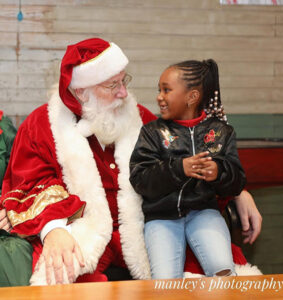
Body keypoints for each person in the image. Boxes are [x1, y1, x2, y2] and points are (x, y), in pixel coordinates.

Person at [0, 38, 261, 286]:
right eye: (112, 85)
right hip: (83, 232)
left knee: (207, 275)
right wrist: (53, 230)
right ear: (81, 91)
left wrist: (238, 191)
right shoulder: (41, 125)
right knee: (60, 276)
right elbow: (33, 181)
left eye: (123, 81)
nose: (124, 93)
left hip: (146, 226)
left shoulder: (142, 120)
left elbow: (189, 160)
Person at [129, 59, 253, 279]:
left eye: (166, 90)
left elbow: (237, 182)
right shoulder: (152, 132)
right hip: (161, 216)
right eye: (159, 90)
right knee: (165, 281)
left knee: (223, 271)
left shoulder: (222, 132)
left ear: (192, 97)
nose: (159, 97)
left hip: (204, 212)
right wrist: (179, 169)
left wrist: (218, 172)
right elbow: (140, 179)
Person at [0, 111, 33, 287]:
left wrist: (10, 206)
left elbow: (21, 179)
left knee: (16, 255)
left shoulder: (4, 129)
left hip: (4, 229)